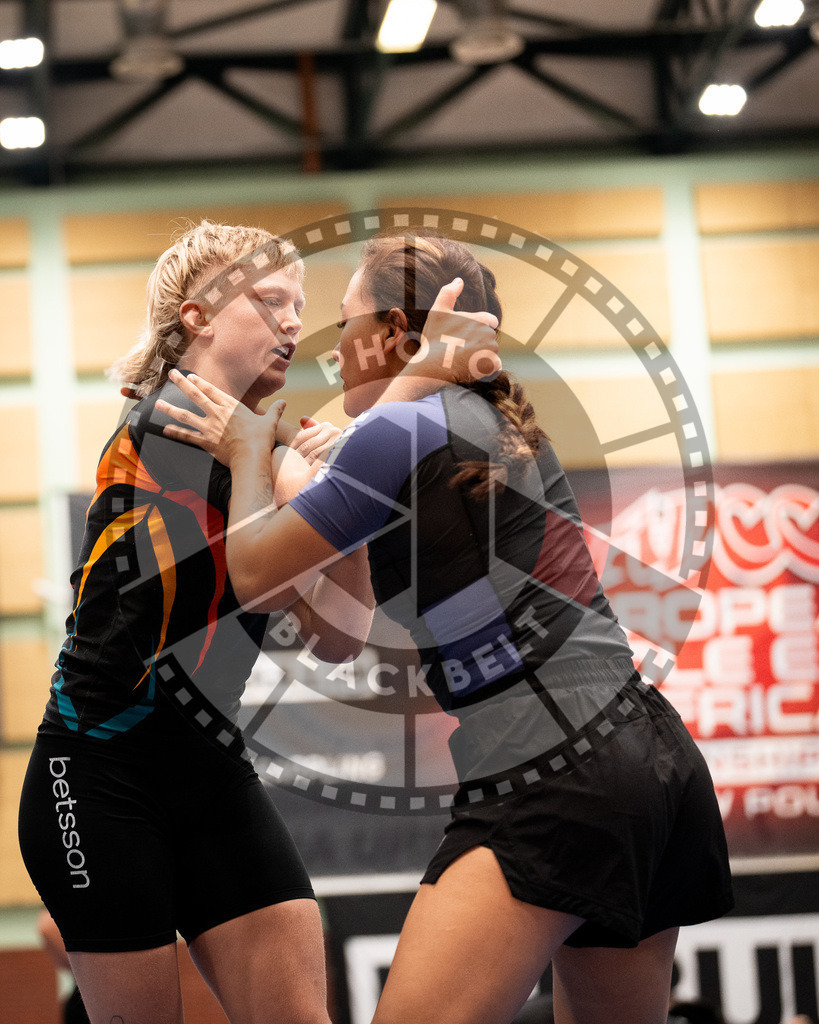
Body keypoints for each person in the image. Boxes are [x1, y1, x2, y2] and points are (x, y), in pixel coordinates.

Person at [161, 229, 734, 1024]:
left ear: (396, 335)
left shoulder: (397, 432)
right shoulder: (479, 421)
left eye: (345, 321)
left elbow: (255, 575)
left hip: (552, 759)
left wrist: (247, 445)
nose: (329, 345)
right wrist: (324, 441)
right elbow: (346, 617)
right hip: (647, 754)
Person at [17, 220, 498, 1024]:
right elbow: (275, 550)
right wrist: (330, 456)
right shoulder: (170, 416)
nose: (290, 321)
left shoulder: (263, 450)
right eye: (268, 299)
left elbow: (338, 635)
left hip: (209, 770)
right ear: (197, 315)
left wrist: (323, 486)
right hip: (96, 775)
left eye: (300, 305)